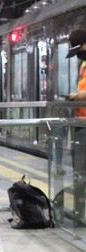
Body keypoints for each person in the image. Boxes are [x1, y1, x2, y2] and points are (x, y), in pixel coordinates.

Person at [66, 29, 86, 218]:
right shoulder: (83, 66)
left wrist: (80, 96)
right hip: (80, 123)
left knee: (81, 170)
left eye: (79, 51)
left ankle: (80, 212)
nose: (78, 56)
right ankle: (79, 210)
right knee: (79, 170)